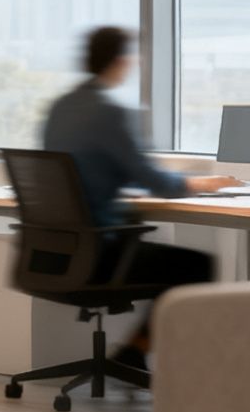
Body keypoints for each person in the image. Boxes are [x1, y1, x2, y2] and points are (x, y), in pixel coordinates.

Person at [41, 26, 233, 366]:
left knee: (170, 258)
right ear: (120, 61)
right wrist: (203, 184)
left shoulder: (61, 107)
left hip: (56, 252)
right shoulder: (110, 112)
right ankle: (153, 355)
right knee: (197, 265)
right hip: (97, 253)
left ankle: (141, 350)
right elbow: (154, 181)